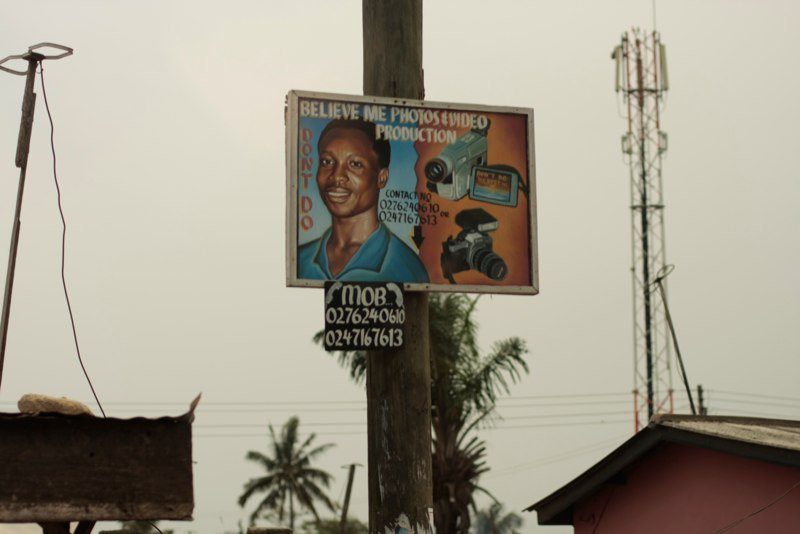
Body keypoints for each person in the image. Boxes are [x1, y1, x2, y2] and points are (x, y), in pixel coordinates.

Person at [297, 118, 429, 283]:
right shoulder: (301, 260)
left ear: (381, 178)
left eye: (355, 164)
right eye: (327, 161)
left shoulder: (407, 268)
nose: (337, 176)